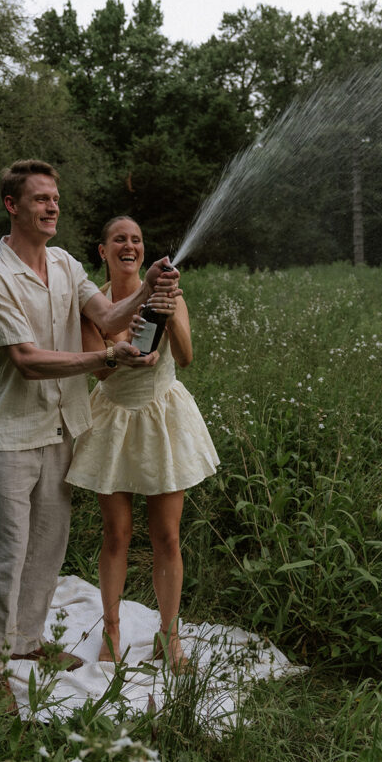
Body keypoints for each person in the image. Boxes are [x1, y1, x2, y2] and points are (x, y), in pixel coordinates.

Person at [0, 162, 180, 709]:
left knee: (47, 546)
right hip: (11, 433)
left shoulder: (65, 263)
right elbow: (28, 360)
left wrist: (147, 289)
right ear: (12, 206)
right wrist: (107, 358)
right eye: (40, 198)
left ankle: (26, 643)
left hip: (62, 426)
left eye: (55, 198)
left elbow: (108, 315)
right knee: (7, 555)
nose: (52, 206)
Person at [65, 216, 219, 673]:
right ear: (103, 251)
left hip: (162, 415)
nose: (129, 246)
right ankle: (111, 630)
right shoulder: (93, 304)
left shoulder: (169, 294)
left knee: (167, 536)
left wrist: (167, 320)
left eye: (136, 239)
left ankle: (169, 637)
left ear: (144, 251)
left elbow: (186, 358)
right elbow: (99, 370)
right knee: (117, 534)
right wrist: (123, 348)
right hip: (112, 418)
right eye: (119, 239)